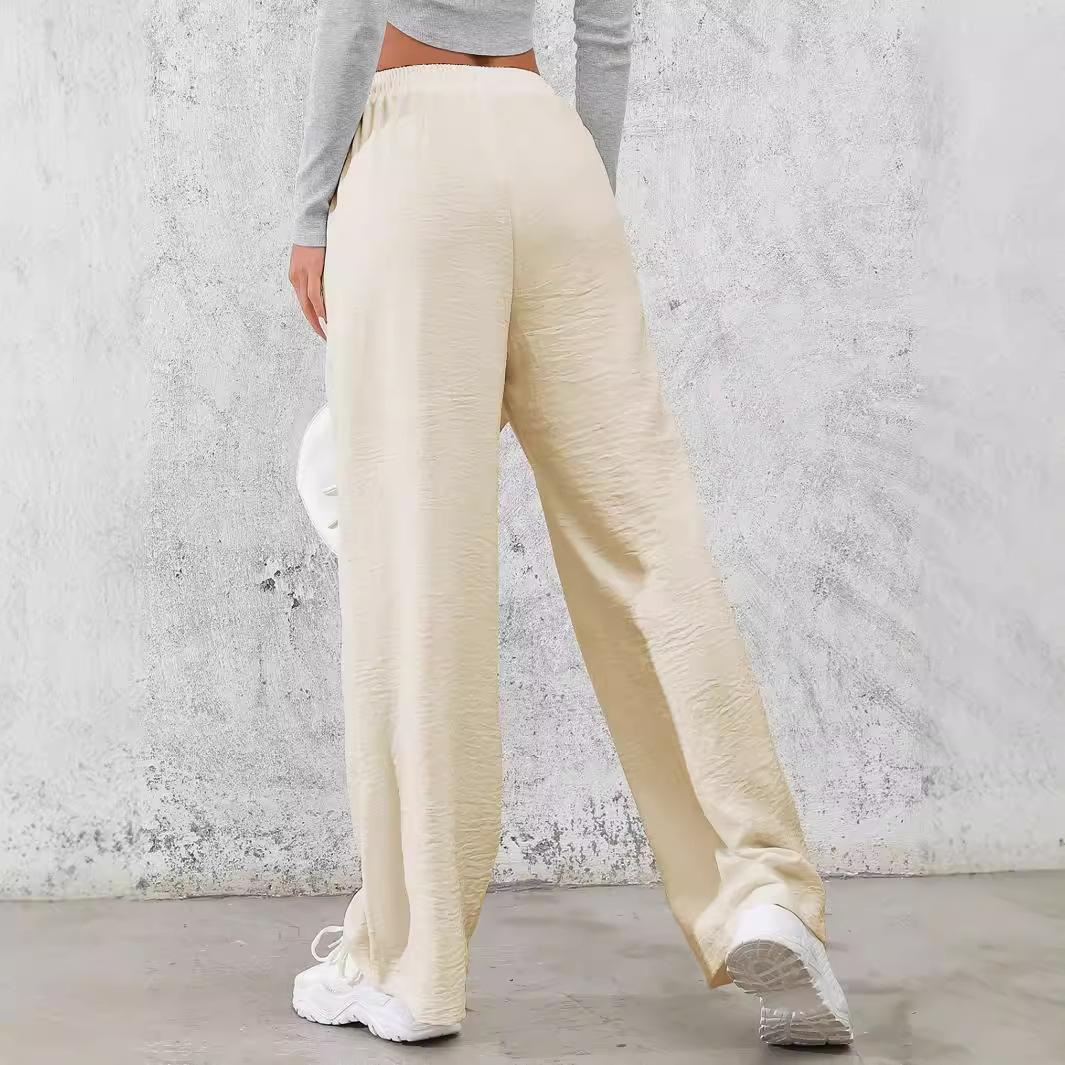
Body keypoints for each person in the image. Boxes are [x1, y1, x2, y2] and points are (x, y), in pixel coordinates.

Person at [286, 0, 853, 1050]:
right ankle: (763, 889)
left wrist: (311, 207)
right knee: (648, 538)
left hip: (413, 147)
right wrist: (576, 193)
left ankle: (414, 965)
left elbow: (354, 11)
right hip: (552, 152)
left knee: (420, 559)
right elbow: (607, 27)